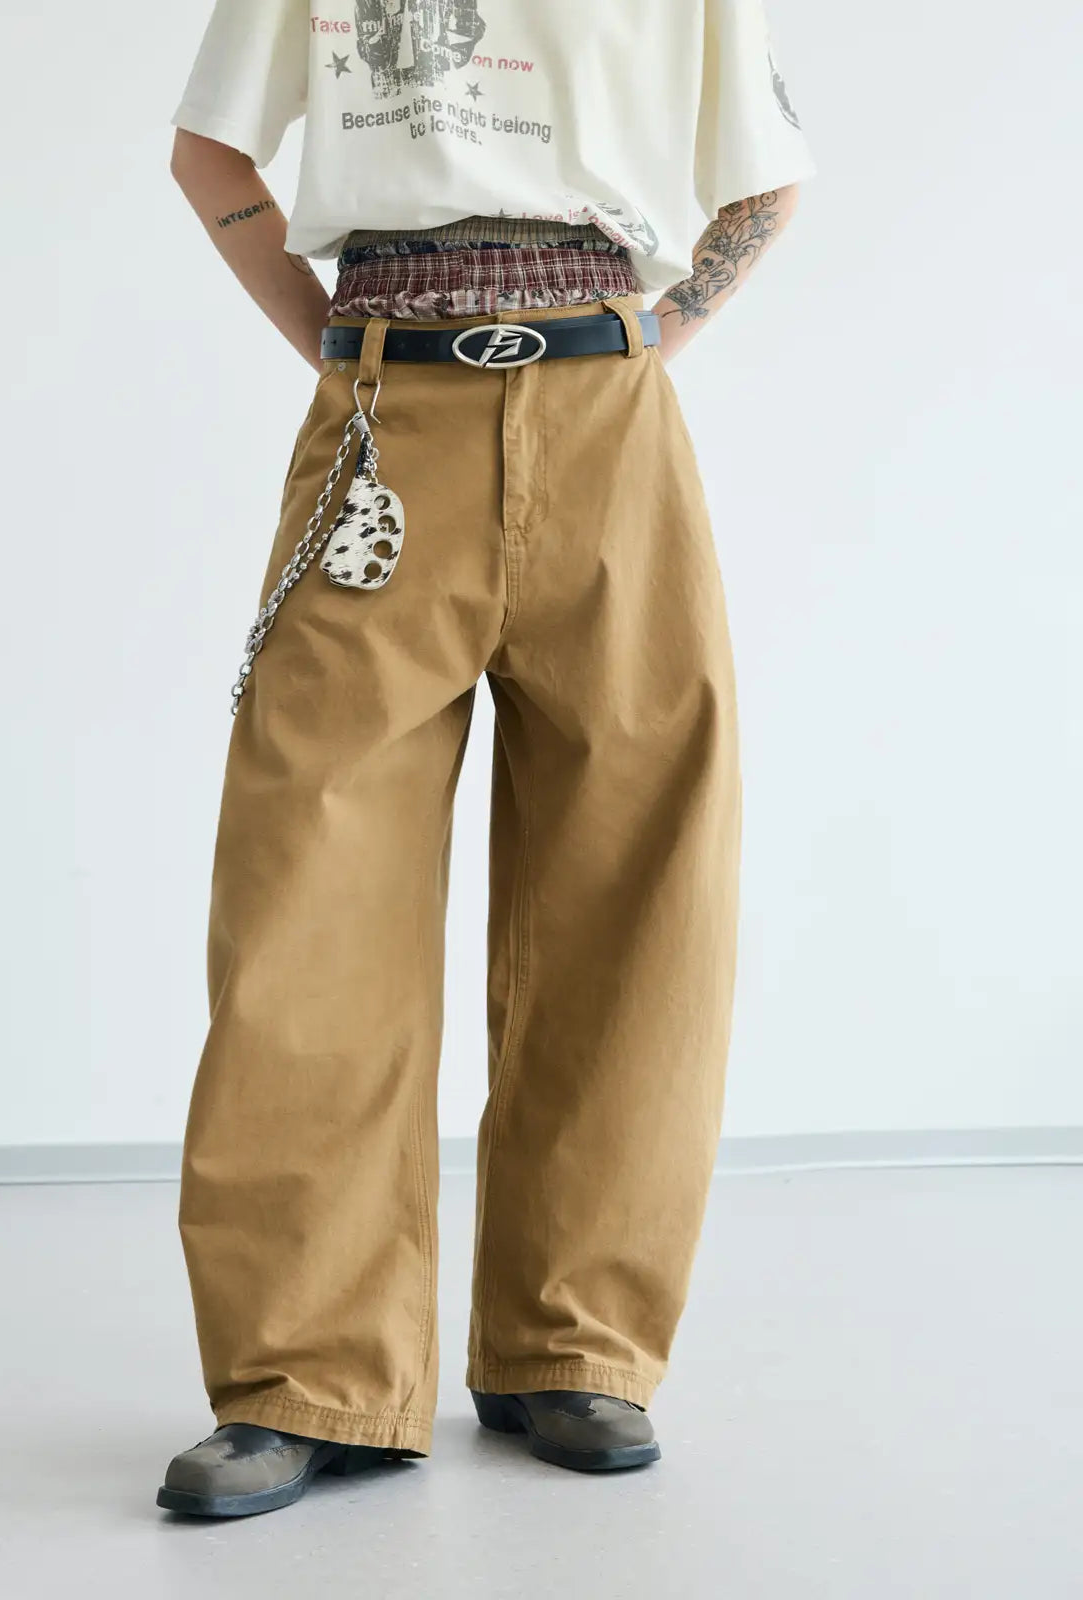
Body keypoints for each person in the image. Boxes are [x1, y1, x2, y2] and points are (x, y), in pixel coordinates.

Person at [159, 0, 815, 1519]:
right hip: (384, 415)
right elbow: (209, 152)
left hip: (610, 421)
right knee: (308, 893)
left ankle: (574, 1348)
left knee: (638, 880)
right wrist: (339, 348)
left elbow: (766, 182)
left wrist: (642, 344)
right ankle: (304, 1376)